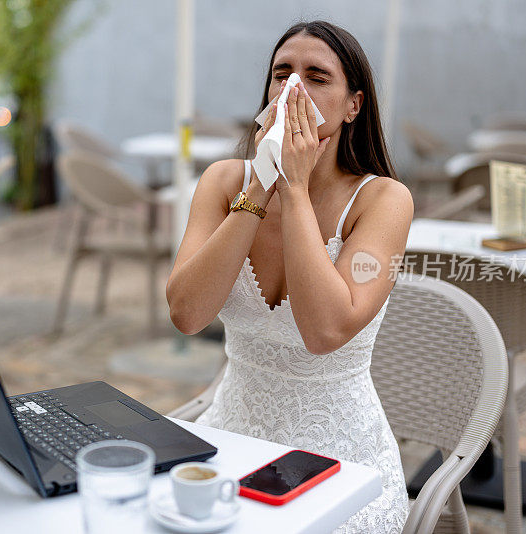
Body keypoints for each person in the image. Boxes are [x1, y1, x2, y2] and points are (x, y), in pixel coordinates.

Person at [165, 20, 413, 533]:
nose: (293, 88)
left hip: (341, 458)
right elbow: (187, 314)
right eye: (283, 73)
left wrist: (295, 189)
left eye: (317, 76)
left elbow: (325, 331)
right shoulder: (223, 181)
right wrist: (260, 187)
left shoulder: (384, 200)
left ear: (353, 106)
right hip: (231, 441)